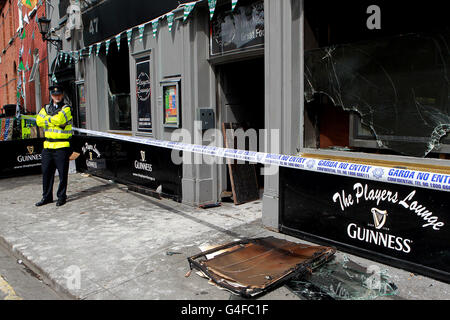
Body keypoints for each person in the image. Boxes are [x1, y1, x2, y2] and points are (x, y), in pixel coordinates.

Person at [35, 85, 73, 207]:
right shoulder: (46, 107)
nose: (57, 97)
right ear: (51, 95)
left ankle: (61, 197)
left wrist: (47, 119)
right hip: (48, 147)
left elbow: (60, 120)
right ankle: (46, 197)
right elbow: (38, 121)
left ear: (62, 95)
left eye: (59, 95)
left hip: (61, 147)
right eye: (54, 95)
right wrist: (53, 119)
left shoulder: (67, 108)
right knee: (46, 173)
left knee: (62, 174)